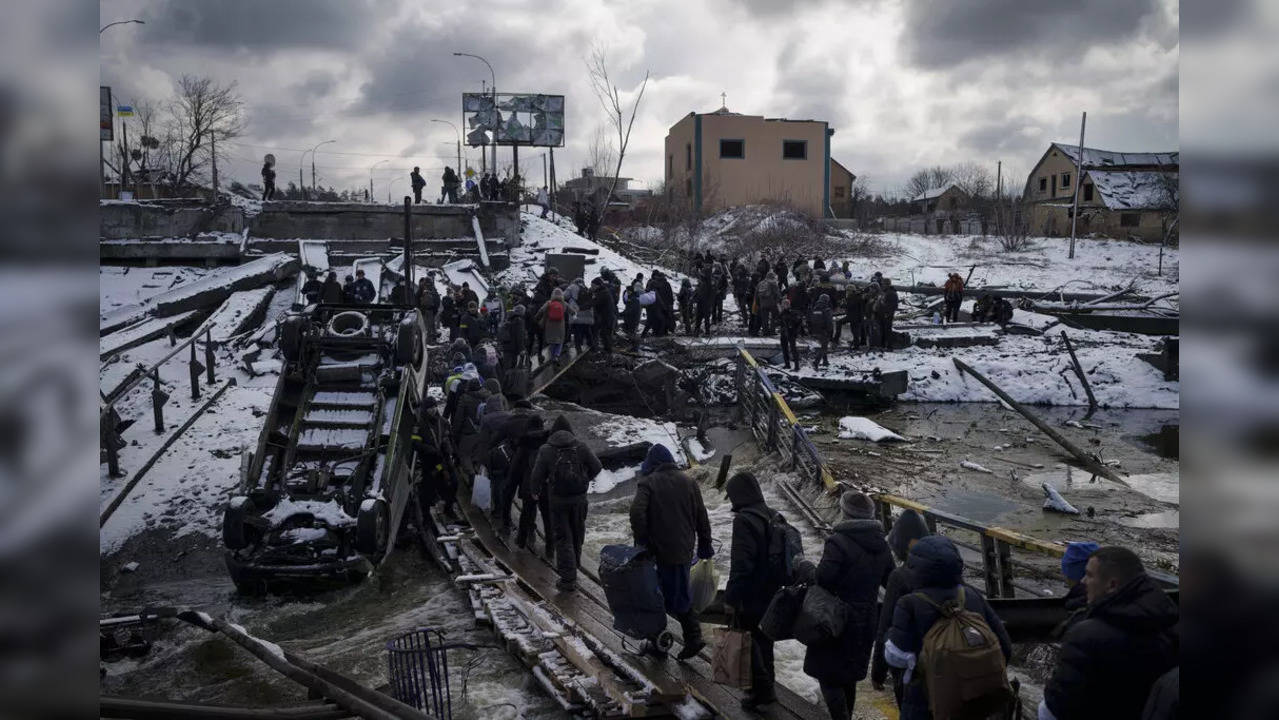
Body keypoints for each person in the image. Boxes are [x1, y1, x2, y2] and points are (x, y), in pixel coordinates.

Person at [1040, 547, 1179, 720]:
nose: (1083, 581)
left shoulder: (1086, 635)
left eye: (1089, 575)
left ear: (1112, 585)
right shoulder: (1170, 622)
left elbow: (1057, 705)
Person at [884, 535, 1012, 720]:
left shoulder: (909, 604)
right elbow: (1004, 647)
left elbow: (895, 657)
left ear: (915, 568)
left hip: (923, 703)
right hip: (972, 703)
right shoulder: (972, 595)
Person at [805, 492, 893, 720]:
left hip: (836, 619)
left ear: (845, 513)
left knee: (828, 676)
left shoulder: (838, 542)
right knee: (848, 675)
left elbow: (823, 578)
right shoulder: (881, 545)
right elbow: (890, 581)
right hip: (867, 619)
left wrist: (805, 567)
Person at [629, 444, 714, 660]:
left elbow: (637, 513)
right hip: (684, 549)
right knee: (677, 592)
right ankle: (674, 640)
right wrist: (705, 545)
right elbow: (702, 517)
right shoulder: (689, 481)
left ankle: (674, 642)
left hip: (658, 550)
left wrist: (643, 541)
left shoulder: (647, 483)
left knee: (656, 594)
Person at [723, 471, 781, 710]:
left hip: (751, 592)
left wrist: (731, 597)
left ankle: (761, 691)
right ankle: (768, 688)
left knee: (747, 640)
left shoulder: (744, 520)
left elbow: (741, 564)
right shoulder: (773, 515)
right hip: (773, 591)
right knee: (764, 640)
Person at [530, 415, 602, 592]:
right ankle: (575, 564)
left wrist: (535, 491)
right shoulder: (581, 447)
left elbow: (536, 475)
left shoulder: (546, 449)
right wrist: (585, 480)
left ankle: (568, 579)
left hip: (557, 500)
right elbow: (597, 466)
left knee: (563, 538)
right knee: (577, 533)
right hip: (579, 499)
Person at [870, 509, 931, 706]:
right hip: (948, 665)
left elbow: (885, 626)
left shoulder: (900, 577)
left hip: (910, 668)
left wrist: (877, 672)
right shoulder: (951, 574)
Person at [411, 397, 458, 518]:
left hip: (445, 460)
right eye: (429, 408)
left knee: (453, 483)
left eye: (434, 407)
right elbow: (415, 444)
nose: (432, 410)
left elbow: (451, 439)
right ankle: (425, 515)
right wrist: (429, 449)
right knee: (428, 488)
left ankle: (449, 508)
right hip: (430, 462)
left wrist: (453, 452)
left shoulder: (443, 422)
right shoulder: (420, 425)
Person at [536, 287, 574, 365]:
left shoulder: (549, 303)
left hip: (550, 325)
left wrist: (536, 318)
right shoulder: (564, 303)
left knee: (552, 341)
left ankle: (552, 356)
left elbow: (541, 310)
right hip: (560, 325)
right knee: (559, 341)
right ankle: (557, 355)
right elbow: (572, 311)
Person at [834, 283, 866, 347]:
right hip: (855, 317)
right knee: (854, 331)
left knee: (853, 330)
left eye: (848, 290)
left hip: (854, 317)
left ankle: (836, 339)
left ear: (851, 291)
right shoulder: (856, 297)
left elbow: (849, 306)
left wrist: (842, 304)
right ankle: (856, 344)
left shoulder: (854, 297)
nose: (847, 292)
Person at [809, 293, 834, 370]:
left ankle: (825, 361)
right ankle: (816, 362)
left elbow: (810, 319)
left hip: (815, 330)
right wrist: (830, 330)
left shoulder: (815, 308)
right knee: (824, 347)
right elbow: (829, 321)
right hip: (824, 330)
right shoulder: (827, 309)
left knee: (824, 345)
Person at [778, 297, 802, 371]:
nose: (784, 306)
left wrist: (796, 331)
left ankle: (797, 366)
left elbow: (798, 322)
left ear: (788, 305)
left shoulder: (793, 313)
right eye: (783, 304)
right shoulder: (782, 313)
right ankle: (787, 364)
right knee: (784, 349)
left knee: (793, 349)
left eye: (786, 304)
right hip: (784, 333)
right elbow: (780, 322)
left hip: (791, 333)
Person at [756, 271, 780, 336]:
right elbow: (777, 294)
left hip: (762, 303)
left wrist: (758, 303)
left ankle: (765, 332)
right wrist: (777, 302)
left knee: (764, 318)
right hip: (772, 303)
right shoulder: (773, 283)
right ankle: (772, 331)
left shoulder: (760, 283)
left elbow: (756, 294)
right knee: (774, 317)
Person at [875, 279, 898, 349]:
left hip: (887, 315)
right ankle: (882, 345)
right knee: (882, 330)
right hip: (881, 314)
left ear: (887, 285)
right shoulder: (884, 292)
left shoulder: (892, 293)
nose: (882, 285)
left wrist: (888, 313)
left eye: (884, 284)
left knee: (887, 330)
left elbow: (893, 306)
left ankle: (889, 346)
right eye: (882, 284)